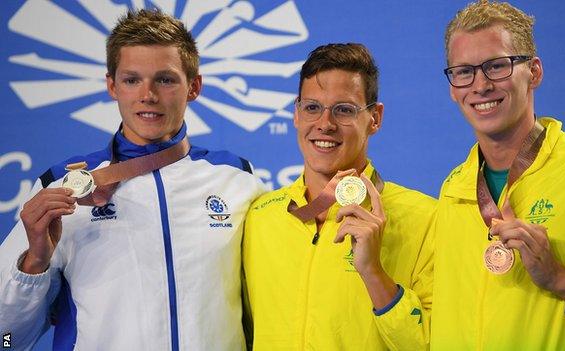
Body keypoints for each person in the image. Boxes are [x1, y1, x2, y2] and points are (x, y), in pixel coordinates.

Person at [0, 9, 264, 350]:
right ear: (112, 86)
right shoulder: (60, 187)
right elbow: (6, 339)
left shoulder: (237, 180)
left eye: (165, 79)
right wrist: (34, 261)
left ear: (194, 86)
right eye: (131, 79)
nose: (148, 95)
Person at [432, 0, 565, 349]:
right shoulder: (453, 188)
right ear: (452, 86)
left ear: (534, 72)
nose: (480, 85)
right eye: (464, 71)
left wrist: (563, 280)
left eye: (497, 66)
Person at [242, 43, 436, 350]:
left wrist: (373, 273)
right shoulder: (259, 218)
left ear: (375, 118)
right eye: (312, 107)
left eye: (344, 110)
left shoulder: (427, 219)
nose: (325, 124)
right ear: (296, 113)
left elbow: (433, 343)